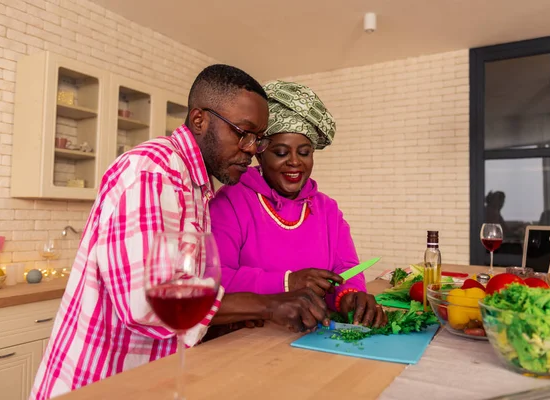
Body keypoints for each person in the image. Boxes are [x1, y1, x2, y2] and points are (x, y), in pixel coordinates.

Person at [31, 66, 331, 400]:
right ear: (200, 120)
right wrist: (267, 305)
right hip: (99, 382)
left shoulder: (195, 185)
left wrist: (231, 318)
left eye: (258, 139)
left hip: (149, 380)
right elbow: (146, 302)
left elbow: (185, 286)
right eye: (242, 133)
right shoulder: (152, 171)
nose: (251, 149)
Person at [210, 80, 387, 328]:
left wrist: (350, 296)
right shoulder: (231, 201)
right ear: (260, 152)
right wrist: (286, 282)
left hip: (313, 334)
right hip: (250, 341)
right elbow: (214, 278)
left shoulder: (327, 209)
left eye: (304, 152)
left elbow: (346, 268)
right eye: (281, 153)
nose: (295, 162)